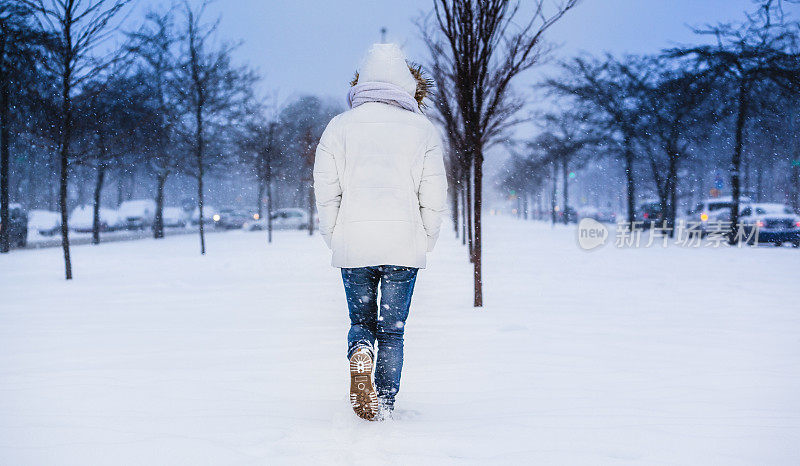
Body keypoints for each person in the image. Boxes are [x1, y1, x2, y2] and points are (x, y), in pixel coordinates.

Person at [313, 43, 448, 421]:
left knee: (361, 322)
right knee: (392, 330)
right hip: (403, 246)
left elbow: (326, 192)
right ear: (408, 82)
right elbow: (433, 195)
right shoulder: (421, 129)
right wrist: (427, 239)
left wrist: (334, 236)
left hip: (354, 245)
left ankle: (360, 353)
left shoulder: (338, 128)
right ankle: (385, 404)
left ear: (362, 80)